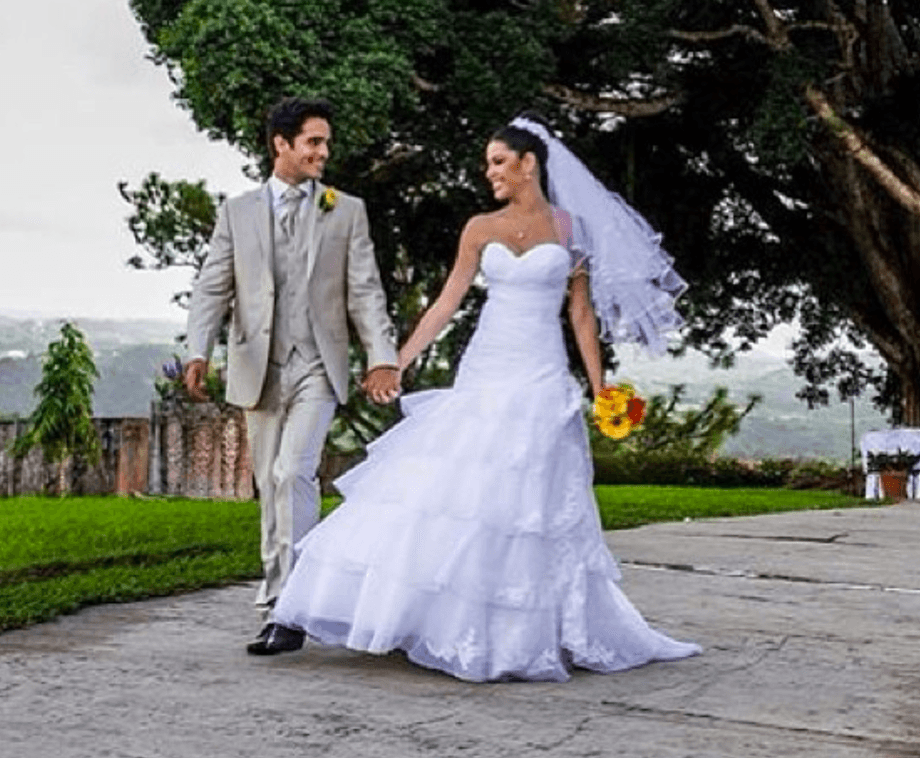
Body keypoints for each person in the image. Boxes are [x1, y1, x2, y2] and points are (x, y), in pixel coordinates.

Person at [263, 113, 702, 680]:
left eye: (498, 161)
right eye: (488, 163)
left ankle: (525, 629)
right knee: (461, 488)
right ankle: (440, 618)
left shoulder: (572, 230)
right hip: (487, 365)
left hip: (542, 371)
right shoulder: (479, 227)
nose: (489, 172)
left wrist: (600, 390)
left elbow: (582, 315)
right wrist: (397, 359)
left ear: (528, 163)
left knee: (530, 503)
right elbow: (447, 302)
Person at [184, 96, 399, 655]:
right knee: (268, 483)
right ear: (281, 144)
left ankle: (293, 608)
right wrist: (197, 351)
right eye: (314, 142)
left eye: (326, 142)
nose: (324, 152)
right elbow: (212, 286)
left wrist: (381, 355)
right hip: (259, 366)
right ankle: (278, 596)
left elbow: (366, 289)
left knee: (293, 472)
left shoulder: (345, 210)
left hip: (318, 366)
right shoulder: (238, 212)